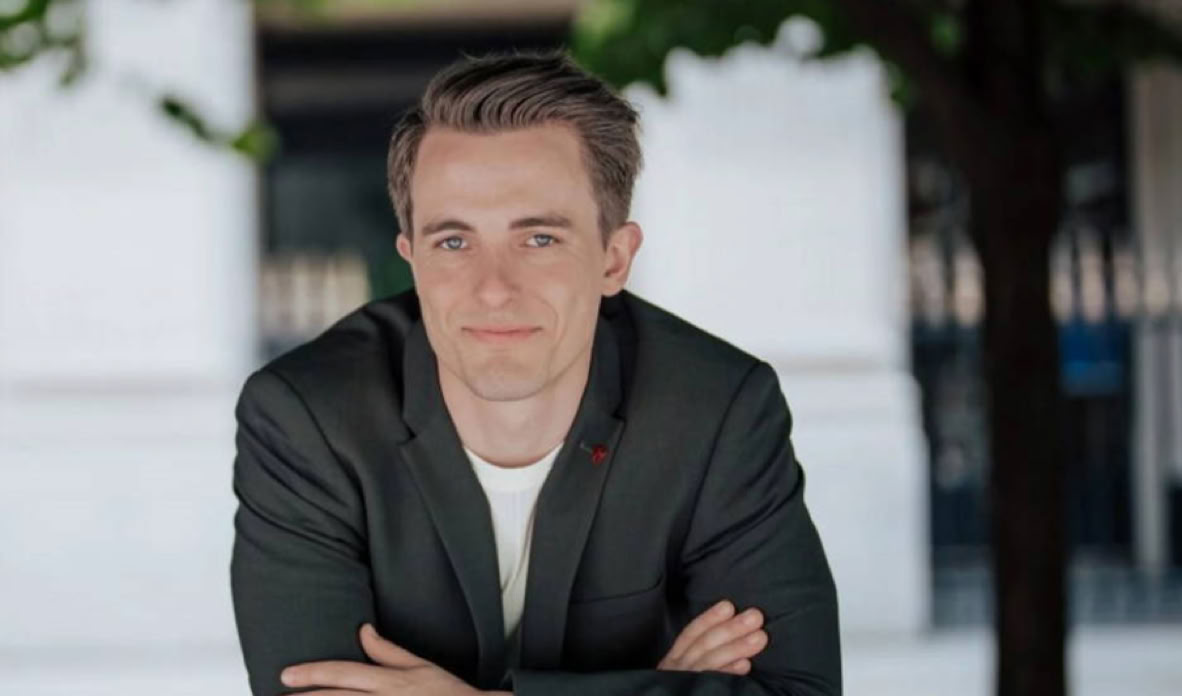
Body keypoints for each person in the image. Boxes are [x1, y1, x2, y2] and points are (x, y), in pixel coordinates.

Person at [230, 50, 841, 696]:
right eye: (454, 242)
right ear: (411, 258)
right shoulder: (307, 420)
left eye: (539, 239)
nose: (494, 289)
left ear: (613, 259)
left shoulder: (717, 410)